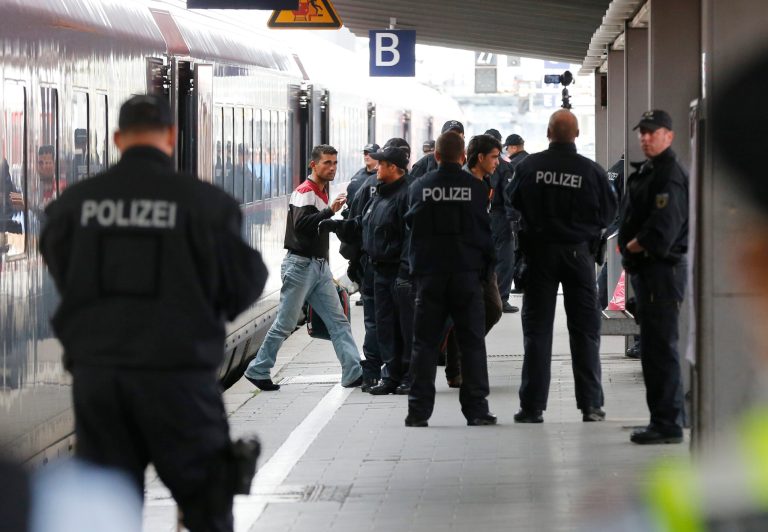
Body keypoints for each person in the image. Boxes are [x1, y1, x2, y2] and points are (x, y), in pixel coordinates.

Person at [39, 94, 268, 532]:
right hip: (178, 377)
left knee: (106, 509)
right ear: (171, 136)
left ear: (117, 139)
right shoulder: (205, 204)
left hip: (100, 381)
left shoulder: (71, 207)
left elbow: (63, 274)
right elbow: (245, 283)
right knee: (207, 501)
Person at [510, 109, 616, 424]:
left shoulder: (530, 167)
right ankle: (591, 405)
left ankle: (531, 407)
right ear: (578, 134)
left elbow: (512, 202)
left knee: (538, 333)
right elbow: (609, 215)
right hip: (579, 257)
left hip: (540, 256)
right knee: (585, 332)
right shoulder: (592, 172)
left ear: (547, 132)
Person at [244, 144, 364, 391]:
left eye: (334, 163)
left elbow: (316, 227)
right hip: (300, 266)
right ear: (313, 165)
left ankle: (353, 373)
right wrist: (330, 212)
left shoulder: (319, 191)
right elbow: (301, 225)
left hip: (318, 268)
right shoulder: (304, 191)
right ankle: (258, 369)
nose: (332, 168)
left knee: (338, 320)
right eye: (327, 163)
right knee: (285, 323)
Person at [405, 131, 496, 427]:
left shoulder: (419, 186)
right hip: (466, 276)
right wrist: (485, 272)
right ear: (462, 157)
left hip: (430, 276)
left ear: (436, 156)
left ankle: (418, 412)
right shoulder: (477, 188)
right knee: (471, 343)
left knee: (425, 344)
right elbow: (485, 234)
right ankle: (477, 410)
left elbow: (412, 227)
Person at [618, 110, 688, 444]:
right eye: (642, 132)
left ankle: (669, 423)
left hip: (662, 272)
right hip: (648, 274)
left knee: (661, 349)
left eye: (653, 132)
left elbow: (663, 229)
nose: (645, 138)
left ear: (669, 136)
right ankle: (662, 418)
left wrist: (632, 244)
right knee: (654, 350)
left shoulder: (669, 175)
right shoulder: (651, 171)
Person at [320, 145, 412, 395]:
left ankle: (407, 376)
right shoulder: (380, 194)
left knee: (402, 327)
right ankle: (391, 376)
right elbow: (363, 225)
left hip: (397, 274)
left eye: (381, 164)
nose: (375, 166)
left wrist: (405, 272)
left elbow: (410, 237)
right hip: (378, 271)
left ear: (393, 168)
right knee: (384, 326)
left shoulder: (406, 195)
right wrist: (336, 226)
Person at [483, 129, 519, 313]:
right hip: (500, 216)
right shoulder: (505, 165)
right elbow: (508, 195)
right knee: (505, 258)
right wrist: (513, 220)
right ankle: (501, 299)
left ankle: (483, 298)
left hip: (481, 215)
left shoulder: (476, 162)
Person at [502, 134, 529, 295]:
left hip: (518, 215)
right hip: (530, 215)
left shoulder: (514, 165)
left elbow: (510, 193)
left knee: (517, 251)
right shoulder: (531, 161)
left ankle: (520, 284)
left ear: (513, 147)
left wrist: (511, 215)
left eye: (507, 147)